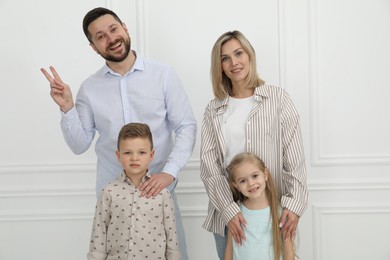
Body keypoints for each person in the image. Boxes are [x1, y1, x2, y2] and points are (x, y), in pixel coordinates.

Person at [40, 7, 196, 259]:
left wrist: (169, 172)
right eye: (100, 36)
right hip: (113, 194)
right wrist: (67, 107)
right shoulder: (89, 88)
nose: (111, 38)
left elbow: (186, 126)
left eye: (113, 29)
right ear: (93, 47)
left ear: (124, 27)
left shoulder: (163, 75)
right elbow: (80, 145)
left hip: (159, 189)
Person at [200, 30, 308, 259]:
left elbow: (294, 159)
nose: (234, 62)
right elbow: (210, 168)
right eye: (225, 58)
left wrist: (294, 205)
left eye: (239, 53)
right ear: (219, 66)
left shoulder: (278, 99)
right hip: (229, 215)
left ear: (250, 55)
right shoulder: (213, 109)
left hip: (272, 214)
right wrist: (229, 212)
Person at [87, 122, 180, 260]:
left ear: (151, 154)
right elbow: (99, 235)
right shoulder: (109, 192)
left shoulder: (162, 194)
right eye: (127, 152)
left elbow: (171, 237)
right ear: (118, 155)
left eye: (141, 152)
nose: (134, 158)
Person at [225, 152, 295, 260]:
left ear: (265, 174)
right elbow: (230, 249)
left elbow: (288, 252)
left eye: (255, 176)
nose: (251, 183)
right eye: (243, 181)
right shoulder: (235, 213)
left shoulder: (280, 211)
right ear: (236, 186)